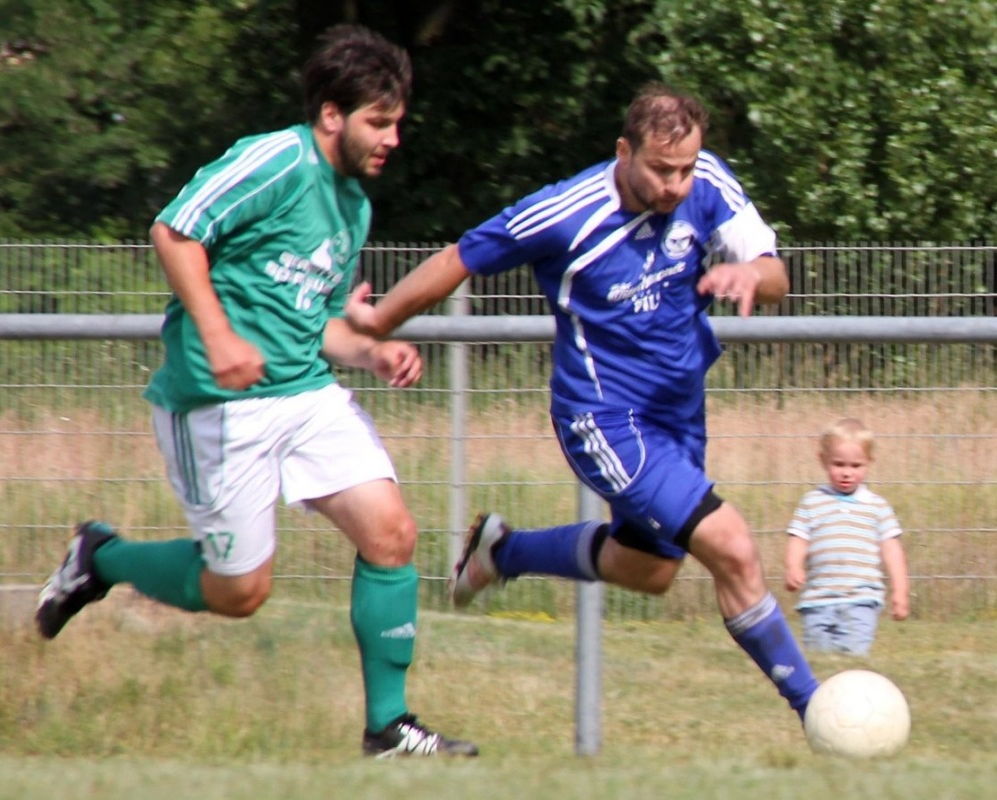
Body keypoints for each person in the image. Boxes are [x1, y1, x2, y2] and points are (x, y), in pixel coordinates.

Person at [34, 24, 477, 759]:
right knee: (239, 593)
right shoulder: (275, 160)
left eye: (397, 122)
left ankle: (389, 727)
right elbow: (174, 232)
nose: (392, 138)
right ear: (330, 115)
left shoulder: (352, 206)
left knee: (392, 532)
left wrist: (371, 353)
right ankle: (99, 558)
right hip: (216, 401)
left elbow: (318, 321)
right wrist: (217, 336)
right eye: (379, 121)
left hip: (304, 395)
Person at [346, 82, 821, 723]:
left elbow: (775, 273)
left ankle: (502, 551)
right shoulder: (565, 212)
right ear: (623, 151)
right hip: (603, 418)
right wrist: (377, 323)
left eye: (684, 169)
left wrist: (750, 275)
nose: (675, 184)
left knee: (649, 571)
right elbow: (461, 257)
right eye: (660, 169)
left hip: (679, 413)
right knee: (732, 546)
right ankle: (819, 712)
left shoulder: (706, 180)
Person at [784, 417, 910, 656]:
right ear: (823, 460)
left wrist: (900, 591)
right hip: (817, 601)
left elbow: (891, 549)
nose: (846, 473)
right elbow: (798, 538)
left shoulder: (877, 506)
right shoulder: (812, 502)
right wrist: (793, 567)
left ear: (869, 463)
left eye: (855, 466)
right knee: (819, 664)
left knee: (851, 663)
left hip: (860, 600)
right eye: (839, 464)